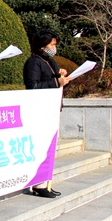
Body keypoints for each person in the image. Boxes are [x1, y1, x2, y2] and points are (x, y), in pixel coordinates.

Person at [23, 29, 71, 198]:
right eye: (51, 44)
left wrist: (60, 77)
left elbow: (54, 83)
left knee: (50, 148)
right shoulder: (33, 62)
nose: (54, 47)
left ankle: (46, 182)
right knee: (41, 147)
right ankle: (38, 184)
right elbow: (33, 86)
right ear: (42, 46)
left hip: (52, 108)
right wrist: (56, 81)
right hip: (40, 110)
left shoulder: (50, 61)